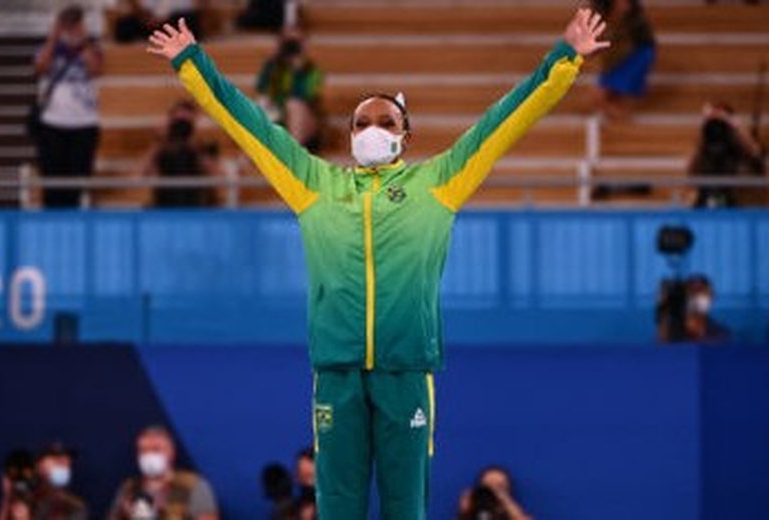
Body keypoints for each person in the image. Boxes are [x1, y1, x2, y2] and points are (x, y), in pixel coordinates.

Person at [147, 9, 609, 518]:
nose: (371, 128)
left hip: (405, 371)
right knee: (337, 507)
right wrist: (192, 62)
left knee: (404, 507)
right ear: (348, 135)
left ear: (404, 136)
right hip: (337, 373)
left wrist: (563, 59)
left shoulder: (439, 183)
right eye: (361, 121)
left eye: (385, 122)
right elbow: (249, 124)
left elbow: (504, 121)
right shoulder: (314, 184)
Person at [33, 5, 103, 208]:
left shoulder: (92, 49)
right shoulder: (48, 48)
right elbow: (40, 68)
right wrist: (54, 37)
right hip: (52, 123)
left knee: (78, 182)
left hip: (84, 124)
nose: (71, 29)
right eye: (68, 25)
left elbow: (95, 70)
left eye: (76, 24)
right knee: (52, 182)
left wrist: (84, 40)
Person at [108, 425, 220, 520]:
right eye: (143, 450)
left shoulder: (193, 485)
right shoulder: (129, 488)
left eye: (156, 449)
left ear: (171, 452)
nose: (148, 456)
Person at [139, 98, 221, 207]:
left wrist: (196, 144)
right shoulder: (162, 147)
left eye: (186, 123)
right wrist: (160, 142)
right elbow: (141, 174)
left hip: (194, 206)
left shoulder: (202, 147)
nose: (182, 128)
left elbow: (217, 176)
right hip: (165, 206)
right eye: (178, 122)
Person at [256, 29, 324, 152]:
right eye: (288, 43)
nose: (291, 47)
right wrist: (274, 61)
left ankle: (292, 156)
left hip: (303, 122)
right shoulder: (273, 67)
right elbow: (261, 88)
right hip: (277, 119)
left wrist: (298, 71)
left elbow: (306, 96)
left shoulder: (311, 70)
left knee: (294, 105)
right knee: (262, 104)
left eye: (296, 43)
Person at [689, 102, 764, 209]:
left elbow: (755, 154)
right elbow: (691, 172)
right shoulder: (704, 145)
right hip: (705, 198)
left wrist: (734, 126)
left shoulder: (738, 143)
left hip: (738, 198)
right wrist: (705, 129)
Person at [591, 0, 655, 119]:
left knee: (601, 97)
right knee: (604, 98)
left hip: (633, 54)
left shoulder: (628, 16)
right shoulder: (601, 9)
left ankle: (625, 124)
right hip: (619, 57)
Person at [0, 442, 88, 520]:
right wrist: (7, 496)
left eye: (67, 464)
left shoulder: (75, 507)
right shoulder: (27, 499)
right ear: (39, 465)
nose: (63, 468)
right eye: (57, 462)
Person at [110, 0, 207, 43]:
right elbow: (140, 7)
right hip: (149, 21)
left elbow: (194, 7)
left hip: (173, 21)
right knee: (124, 25)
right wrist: (146, 17)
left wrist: (164, 18)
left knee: (190, 21)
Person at [457, 467, 531, 520]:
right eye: (488, 485)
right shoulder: (473, 512)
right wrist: (464, 510)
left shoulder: (509, 513)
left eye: (499, 486)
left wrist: (506, 501)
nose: (493, 490)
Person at [683, 274, 732, 344]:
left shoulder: (722, 334)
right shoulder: (672, 335)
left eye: (702, 293)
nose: (696, 298)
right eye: (692, 293)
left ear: (711, 298)